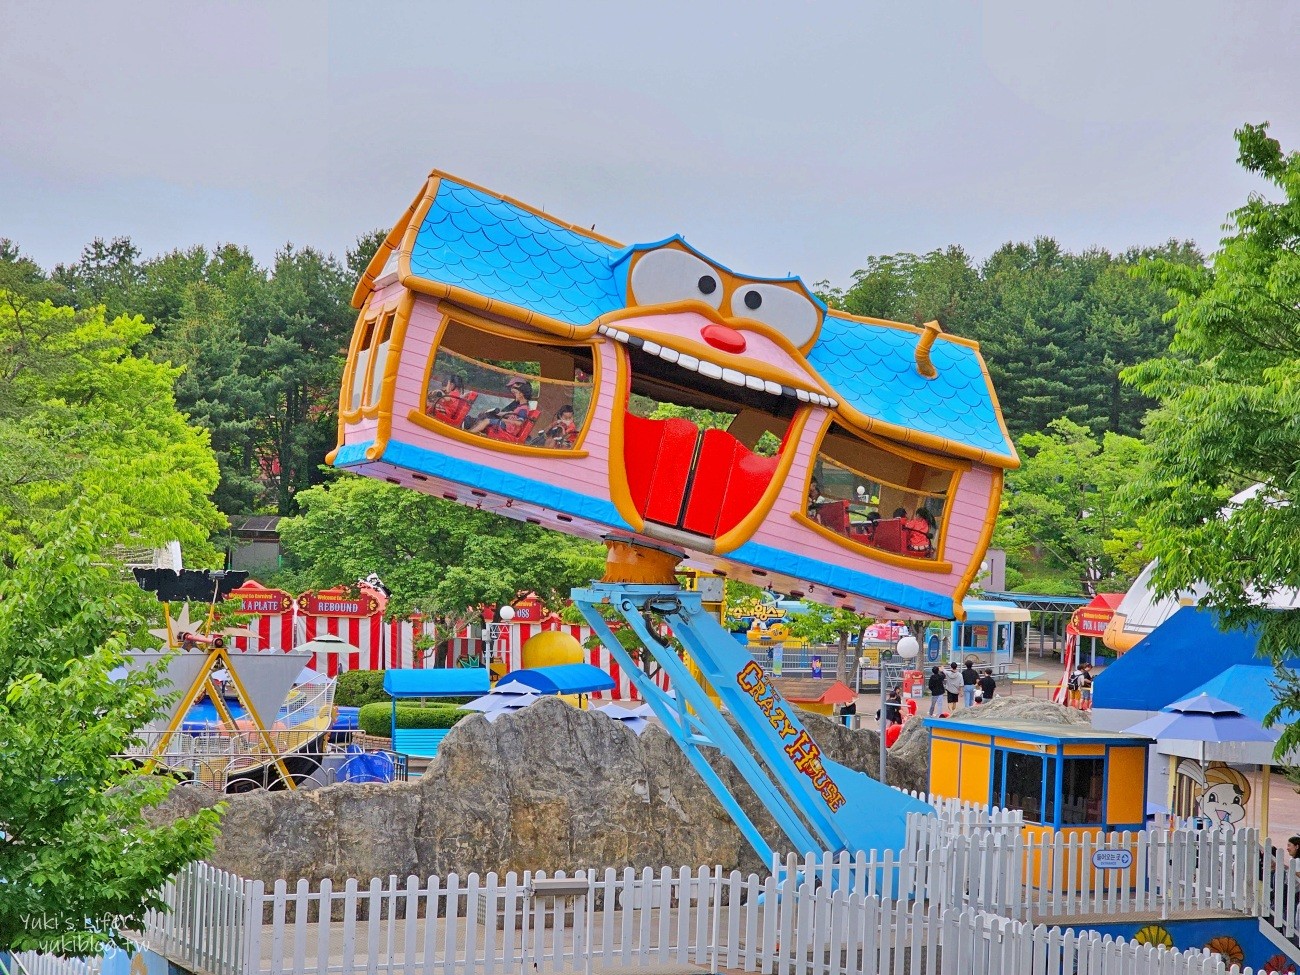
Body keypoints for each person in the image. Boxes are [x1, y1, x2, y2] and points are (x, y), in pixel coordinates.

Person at [467, 377, 533, 437]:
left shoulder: (524, 409)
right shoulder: (521, 406)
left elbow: (519, 423)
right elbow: (511, 414)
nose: (514, 395)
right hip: (508, 426)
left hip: (508, 427)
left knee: (486, 421)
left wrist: (503, 420)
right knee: (485, 418)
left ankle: (469, 434)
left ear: (521, 394)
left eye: (515, 393)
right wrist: (497, 413)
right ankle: (471, 431)